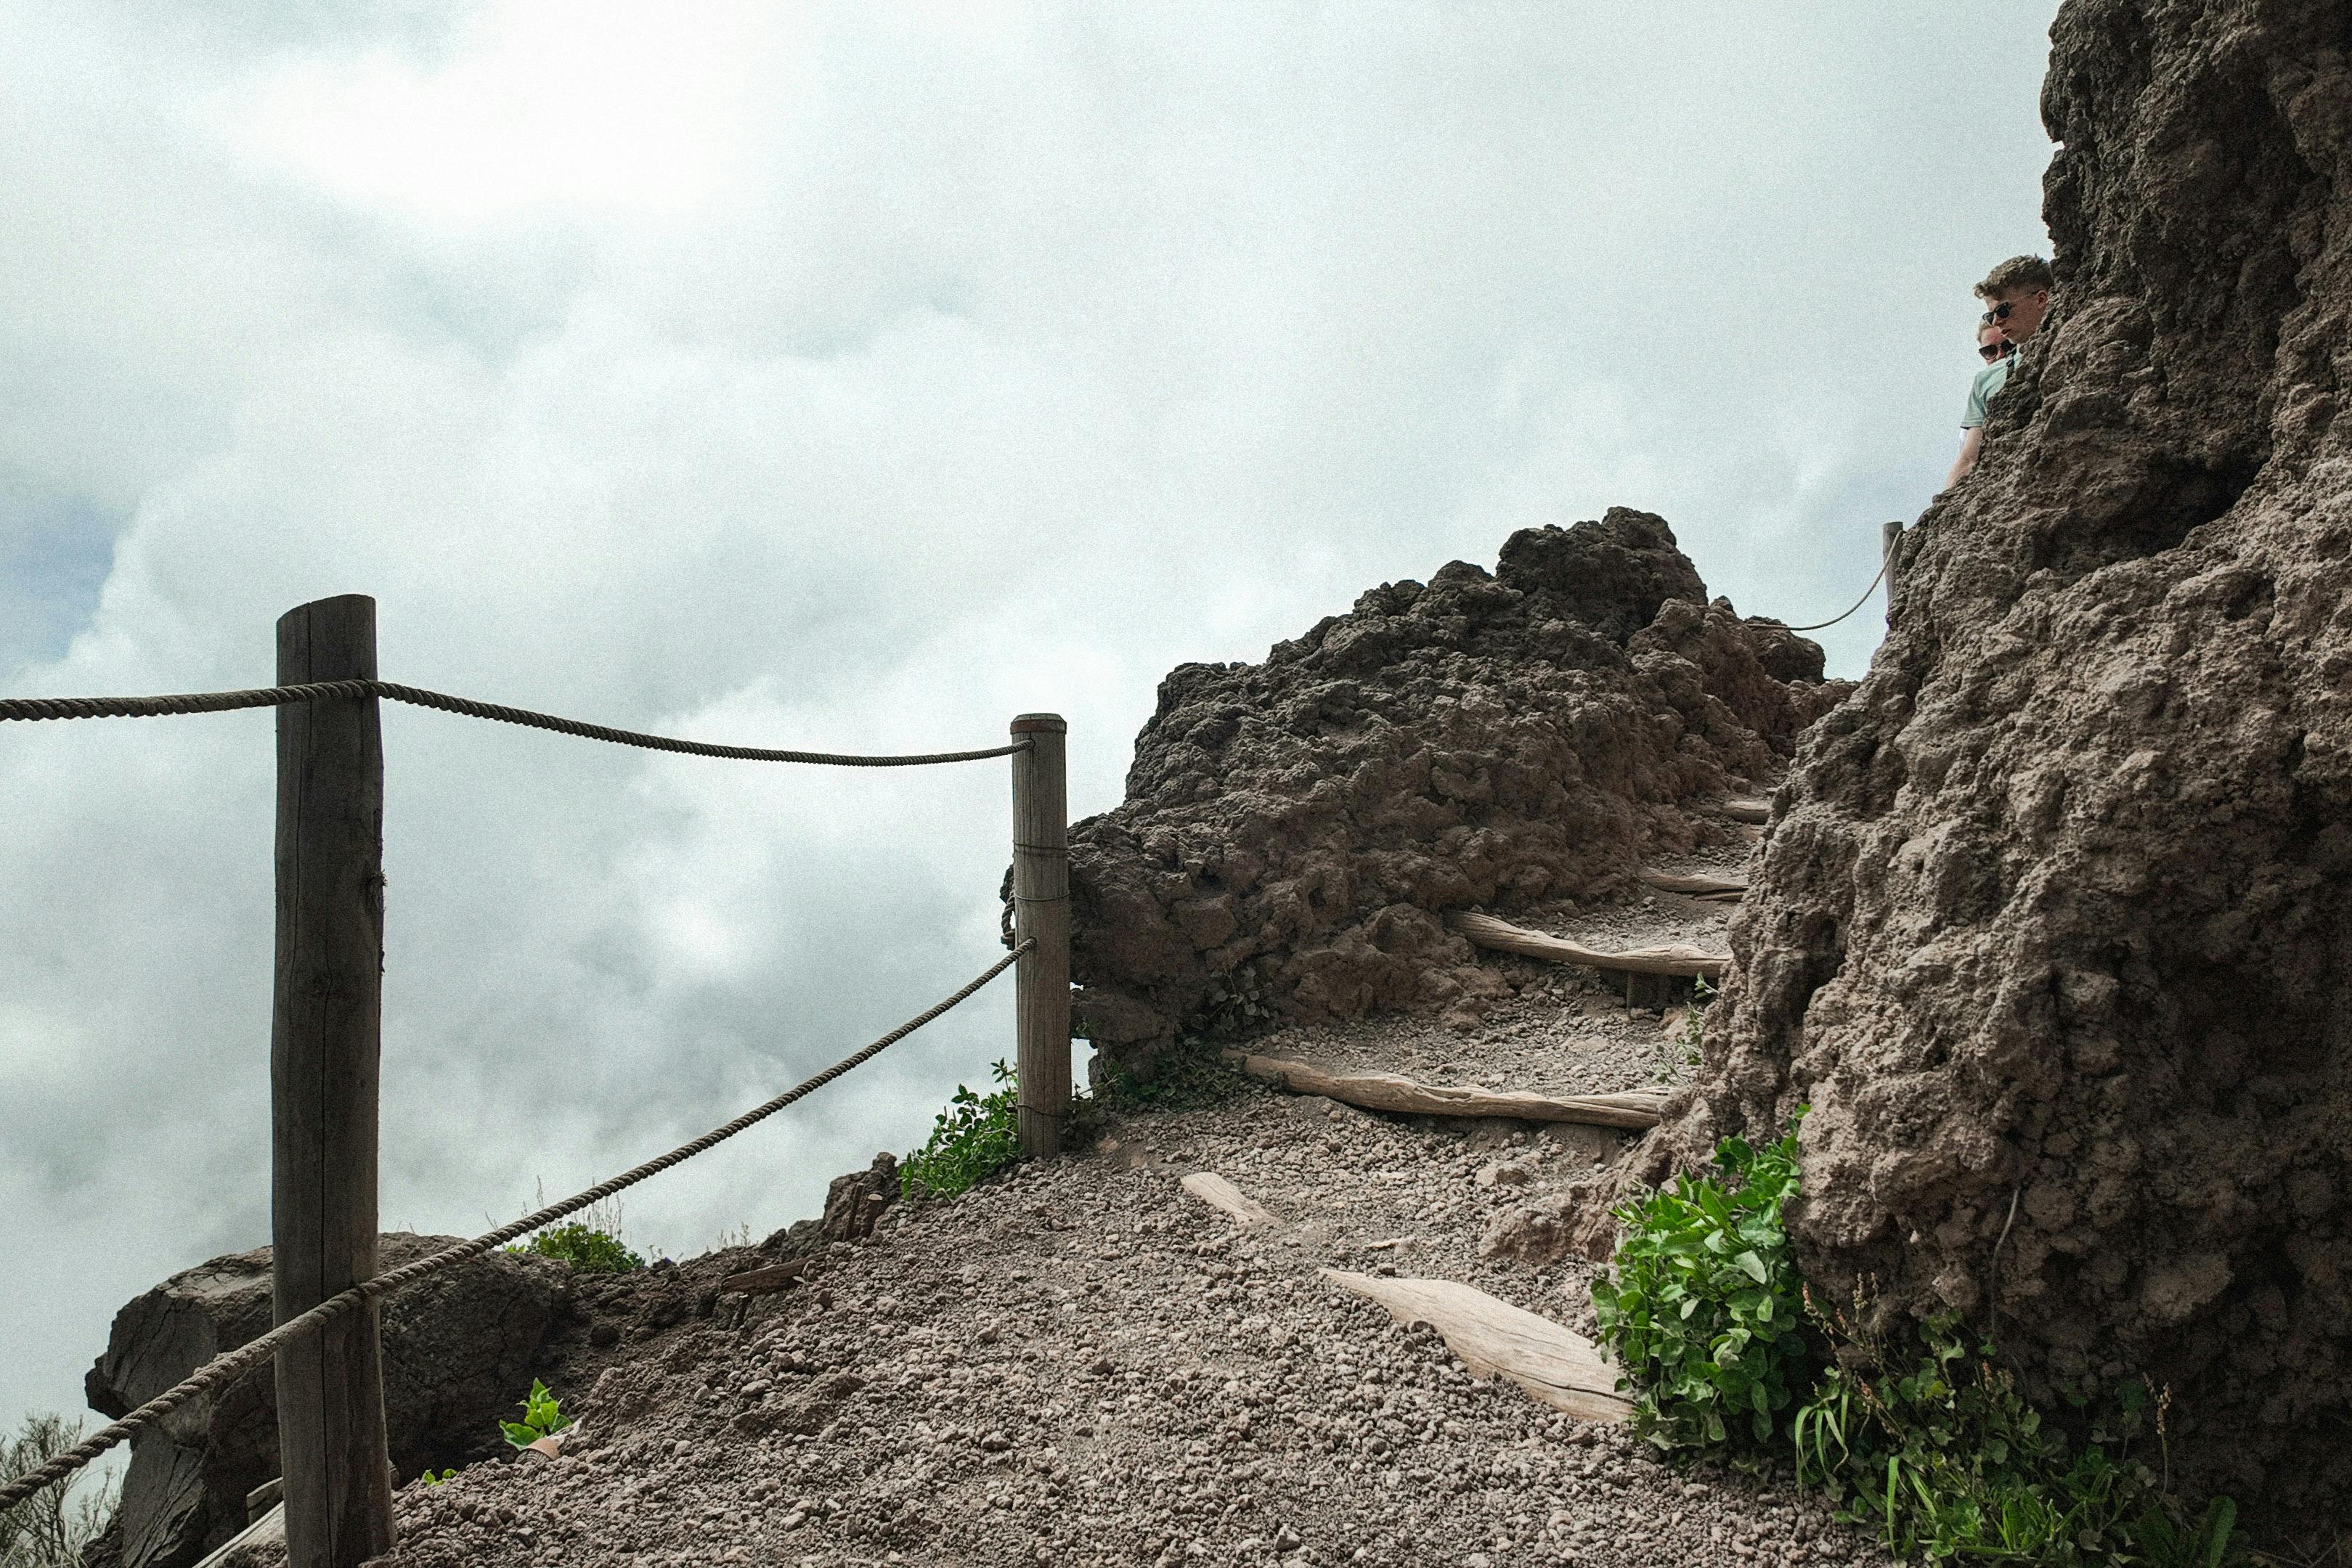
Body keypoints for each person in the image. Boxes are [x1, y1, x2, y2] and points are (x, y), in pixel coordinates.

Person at [1942, 255, 2054, 489]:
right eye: (1989, 315)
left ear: (2041, 299)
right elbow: (1969, 459)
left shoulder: (2079, 340)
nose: (1996, 321)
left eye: (2003, 310)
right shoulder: (1987, 380)